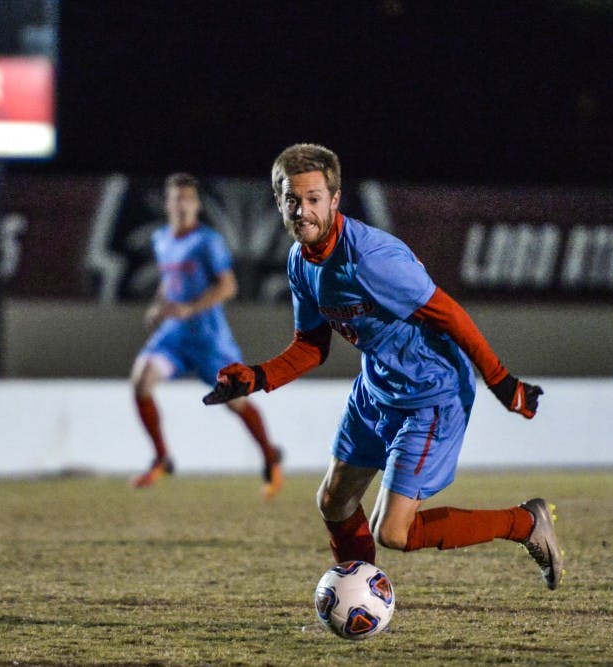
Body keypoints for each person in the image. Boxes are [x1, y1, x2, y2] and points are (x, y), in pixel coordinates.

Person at [204, 144, 563, 589]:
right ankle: (363, 597)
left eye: (313, 199)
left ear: (334, 200)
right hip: (377, 388)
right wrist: (257, 377)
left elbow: (448, 313)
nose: (302, 211)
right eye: (291, 200)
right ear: (278, 201)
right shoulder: (301, 262)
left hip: (431, 394)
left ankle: (525, 523)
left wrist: (502, 382)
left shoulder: (371, 259)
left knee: (394, 532)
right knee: (334, 503)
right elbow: (312, 346)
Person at [130, 173, 283, 499]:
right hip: (173, 337)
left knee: (236, 403)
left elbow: (228, 285)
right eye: (176, 199)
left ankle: (270, 457)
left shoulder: (207, 240)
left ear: (196, 205)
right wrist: (157, 308)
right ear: (168, 203)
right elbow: (168, 282)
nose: (182, 205)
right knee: (141, 381)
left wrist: (190, 308)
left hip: (209, 339)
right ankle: (161, 458)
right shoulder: (162, 239)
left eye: (188, 199)